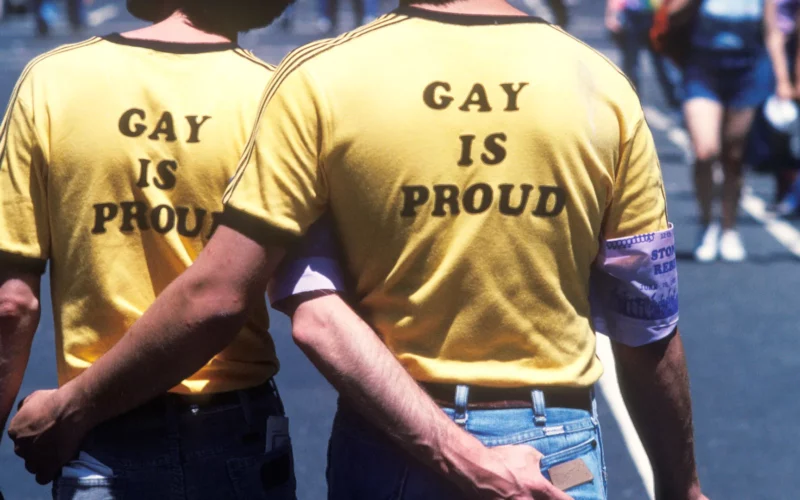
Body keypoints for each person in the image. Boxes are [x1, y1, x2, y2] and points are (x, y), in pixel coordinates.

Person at [9, 1, 708, 499]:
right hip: (556, 454)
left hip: (392, 439)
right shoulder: (600, 85)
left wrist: (74, 408)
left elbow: (306, 307)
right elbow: (646, 323)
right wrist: (681, 487)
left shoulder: (321, 79)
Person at [0, 0, 297, 497]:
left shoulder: (51, 80)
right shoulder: (275, 96)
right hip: (234, 429)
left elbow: (11, 305)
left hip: (97, 433)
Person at [681, 0, 771, 262]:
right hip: (703, 70)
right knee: (704, 151)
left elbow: (772, 31)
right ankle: (706, 224)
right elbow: (671, 14)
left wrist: (784, 81)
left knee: (734, 156)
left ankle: (729, 228)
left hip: (748, 71)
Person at [606, 0, 682, 108]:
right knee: (631, 63)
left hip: (656, 14)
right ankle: (632, 99)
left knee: (662, 62)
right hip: (631, 15)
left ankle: (675, 99)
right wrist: (612, 14)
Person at [765, 0, 800, 215]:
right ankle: (785, 191)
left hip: (791, 53)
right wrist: (782, 80)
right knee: (781, 130)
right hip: (777, 52)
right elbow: (772, 30)